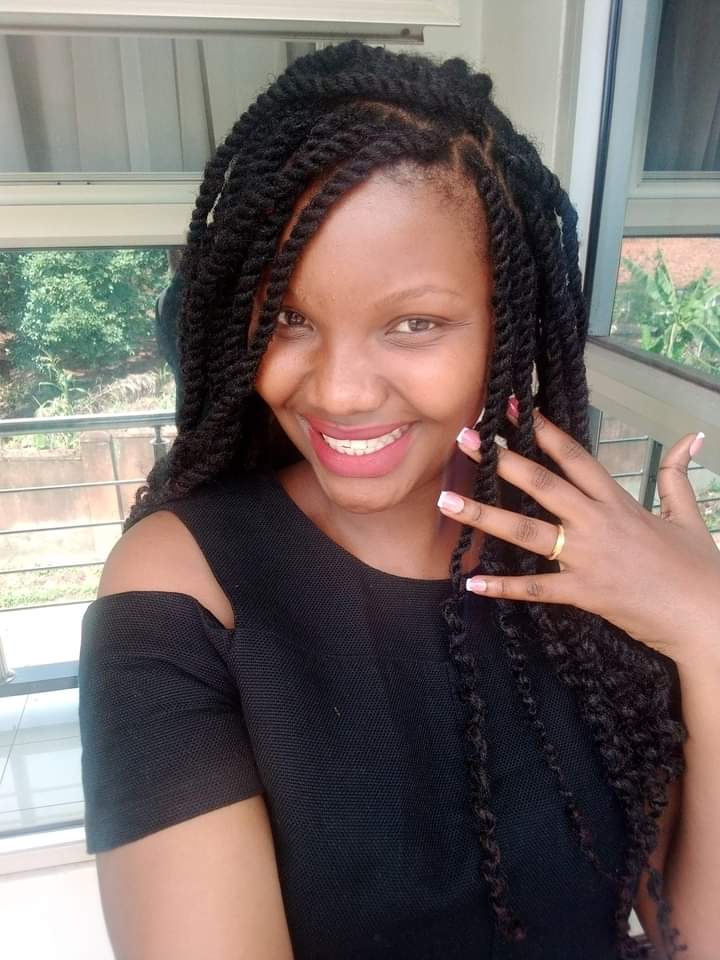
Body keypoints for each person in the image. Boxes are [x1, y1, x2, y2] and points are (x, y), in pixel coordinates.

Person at [77, 41, 720, 960]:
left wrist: (705, 625)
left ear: (506, 328)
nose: (339, 392)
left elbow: (692, 936)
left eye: (415, 323)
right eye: (289, 318)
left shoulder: (591, 561)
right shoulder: (186, 586)